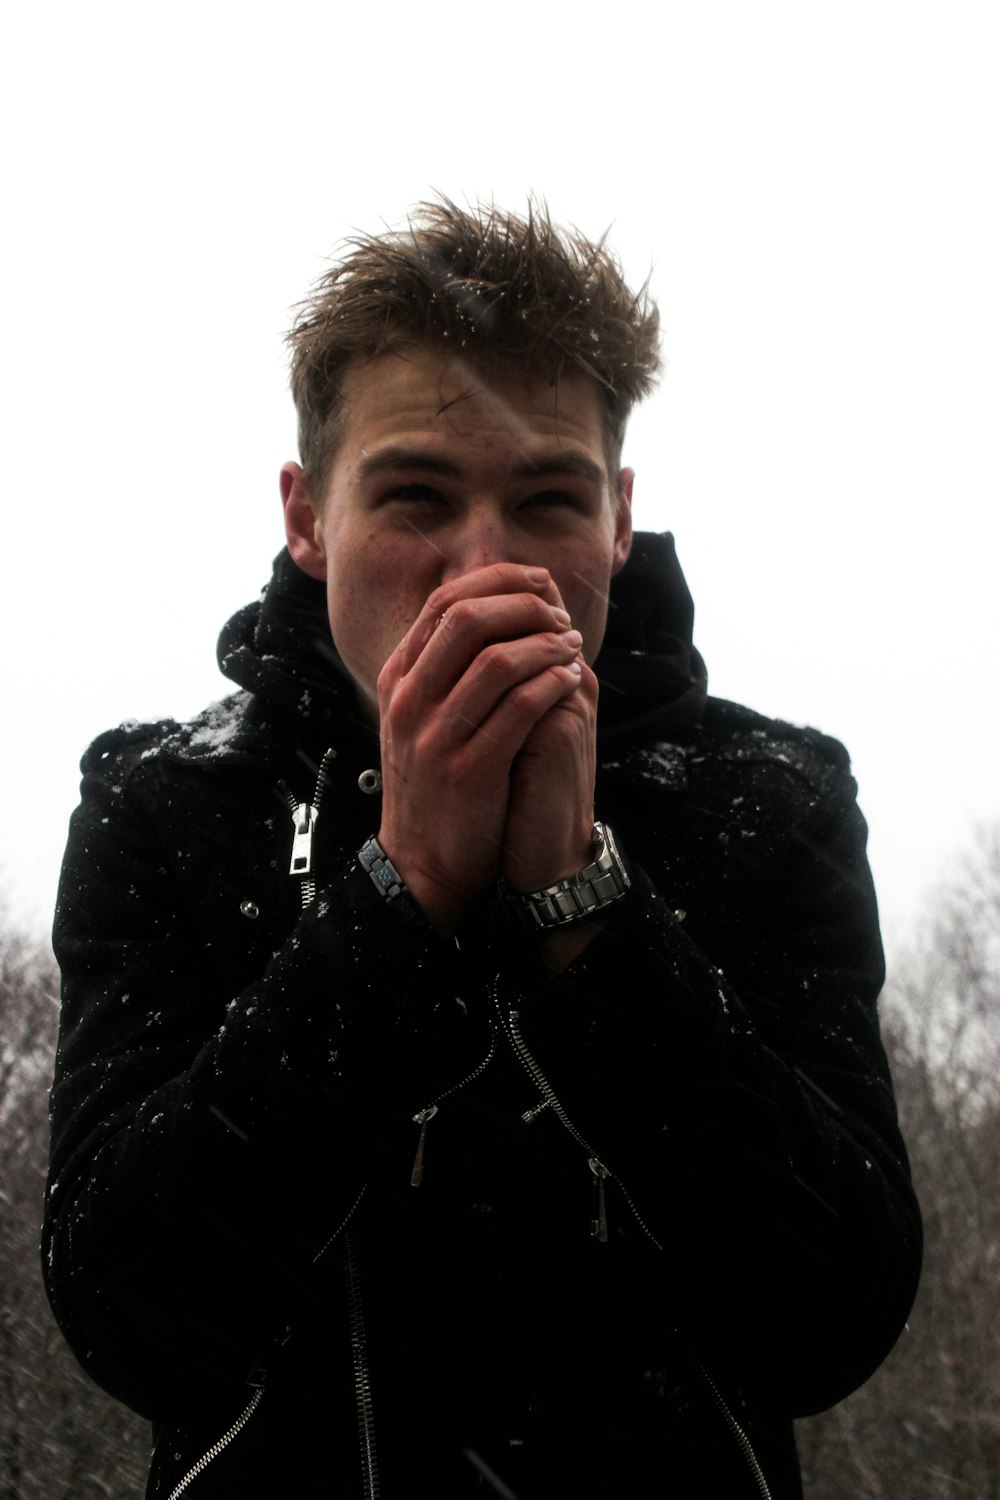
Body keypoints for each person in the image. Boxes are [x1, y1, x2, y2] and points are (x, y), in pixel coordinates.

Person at [43, 199, 921, 1499]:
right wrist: (398, 904)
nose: (484, 568)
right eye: (412, 495)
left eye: (549, 499)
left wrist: (586, 911)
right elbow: (134, 1315)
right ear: (307, 516)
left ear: (618, 518)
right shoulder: (171, 801)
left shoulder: (770, 797)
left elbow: (829, 1318)